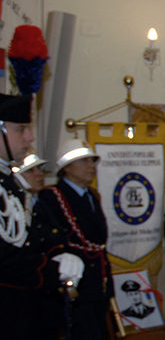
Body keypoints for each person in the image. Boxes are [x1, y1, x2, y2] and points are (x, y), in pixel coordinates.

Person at [0, 95, 82, 340]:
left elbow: (28, 238)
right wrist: (50, 269)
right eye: (21, 129)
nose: (30, 137)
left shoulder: (10, 181)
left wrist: (56, 254)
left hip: (21, 311)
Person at [38, 138, 113, 340]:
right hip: (76, 283)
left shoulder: (92, 195)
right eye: (84, 161)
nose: (91, 166)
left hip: (98, 281)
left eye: (92, 161)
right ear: (67, 168)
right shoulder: (53, 197)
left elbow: (99, 238)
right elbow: (55, 240)